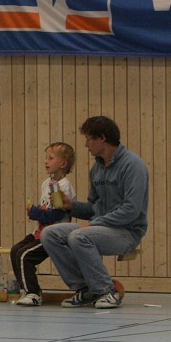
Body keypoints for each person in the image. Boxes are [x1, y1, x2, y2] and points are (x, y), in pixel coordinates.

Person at [41, 116, 148, 309]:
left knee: (79, 236)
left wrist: (94, 224)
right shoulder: (97, 168)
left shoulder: (133, 165)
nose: (86, 145)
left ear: (103, 138)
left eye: (89, 139)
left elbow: (131, 210)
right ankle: (85, 288)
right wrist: (70, 206)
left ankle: (107, 290)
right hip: (100, 227)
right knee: (50, 234)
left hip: (127, 231)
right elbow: (93, 207)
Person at [11, 143, 77, 307]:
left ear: (63, 163)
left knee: (25, 255)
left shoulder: (63, 187)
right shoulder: (46, 183)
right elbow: (46, 207)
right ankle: (27, 289)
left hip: (54, 235)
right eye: (45, 157)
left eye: (50, 158)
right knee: (15, 250)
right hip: (39, 232)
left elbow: (57, 214)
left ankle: (33, 293)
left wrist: (34, 212)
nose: (45, 161)